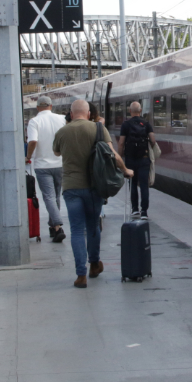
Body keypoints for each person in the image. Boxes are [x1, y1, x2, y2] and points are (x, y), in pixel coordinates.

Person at [53, 99, 132, 289]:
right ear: (88, 114)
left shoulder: (62, 131)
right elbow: (113, 155)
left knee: (77, 230)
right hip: (94, 187)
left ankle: (81, 275)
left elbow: (56, 153)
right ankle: (95, 264)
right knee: (93, 226)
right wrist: (126, 170)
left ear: (71, 114)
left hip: (71, 188)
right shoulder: (98, 129)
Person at [26, 96, 67, 242]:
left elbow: (33, 141)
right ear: (51, 106)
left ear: (37, 108)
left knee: (49, 197)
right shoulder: (62, 119)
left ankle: (58, 226)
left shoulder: (34, 121)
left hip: (42, 165)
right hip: (60, 163)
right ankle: (52, 227)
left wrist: (28, 156)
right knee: (56, 196)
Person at [118, 101, 157, 220]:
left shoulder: (125, 125)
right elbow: (153, 140)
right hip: (144, 159)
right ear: (140, 111)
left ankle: (135, 209)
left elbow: (121, 143)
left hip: (130, 159)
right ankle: (144, 211)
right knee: (144, 185)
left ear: (130, 111)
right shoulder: (146, 123)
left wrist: (120, 158)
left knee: (133, 184)